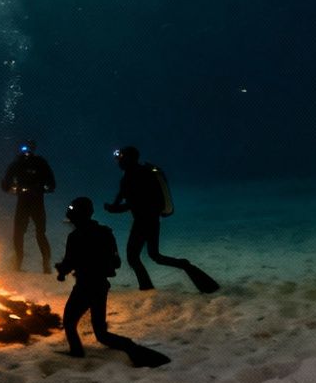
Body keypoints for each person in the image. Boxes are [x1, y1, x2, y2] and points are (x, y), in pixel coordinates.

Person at [55, 197, 168, 367]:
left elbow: (70, 262)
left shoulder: (75, 236)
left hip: (85, 286)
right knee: (101, 333)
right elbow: (116, 262)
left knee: (70, 323)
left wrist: (62, 270)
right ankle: (131, 348)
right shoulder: (105, 232)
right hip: (101, 286)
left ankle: (77, 353)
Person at [105, 145, 218, 293]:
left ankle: (147, 288)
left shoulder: (135, 176)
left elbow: (133, 202)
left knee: (135, 257)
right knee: (154, 255)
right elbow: (123, 197)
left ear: (129, 159)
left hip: (144, 221)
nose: (119, 162)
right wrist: (114, 206)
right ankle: (184, 267)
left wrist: (114, 208)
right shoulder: (135, 175)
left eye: (121, 158)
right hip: (151, 220)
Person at [0, 140, 57, 273]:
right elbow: (6, 183)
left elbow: (52, 183)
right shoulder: (20, 164)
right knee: (24, 233)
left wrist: (10, 188)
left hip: (33, 201)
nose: (27, 151)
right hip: (29, 201)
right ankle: (20, 263)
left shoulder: (36, 163)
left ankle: (43, 264)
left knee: (35, 233)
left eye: (29, 148)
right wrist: (10, 188)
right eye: (25, 148)